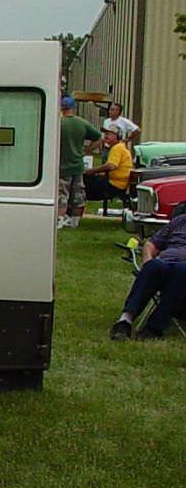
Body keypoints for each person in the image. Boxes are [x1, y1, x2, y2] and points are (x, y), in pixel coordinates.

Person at [109, 209, 186, 340]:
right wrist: (147, 261)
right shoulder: (180, 220)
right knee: (154, 266)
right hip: (166, 264)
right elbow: (151, 244)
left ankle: (154, 327)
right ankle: (124, 322)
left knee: (182, 270)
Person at [57, 96, 100, 229]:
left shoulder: (58, 123)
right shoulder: (82, 123)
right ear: (74, 108)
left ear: (61, 108)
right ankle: (74, 223)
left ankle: (59, 221)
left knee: (61, 194)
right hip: (78, 165)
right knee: (77, 195)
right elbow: (98, 137)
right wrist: (86, 151)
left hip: (62, 165)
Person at [83, 127, 133, 214]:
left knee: (80, 182)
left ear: (118, 136)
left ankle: (73, 213)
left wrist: (91, 171)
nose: (106, 136)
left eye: (109, 134)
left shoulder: (117, 148)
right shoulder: (120, 147)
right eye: (105, 133)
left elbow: (111, 166)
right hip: (116, 183)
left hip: (113, 185)